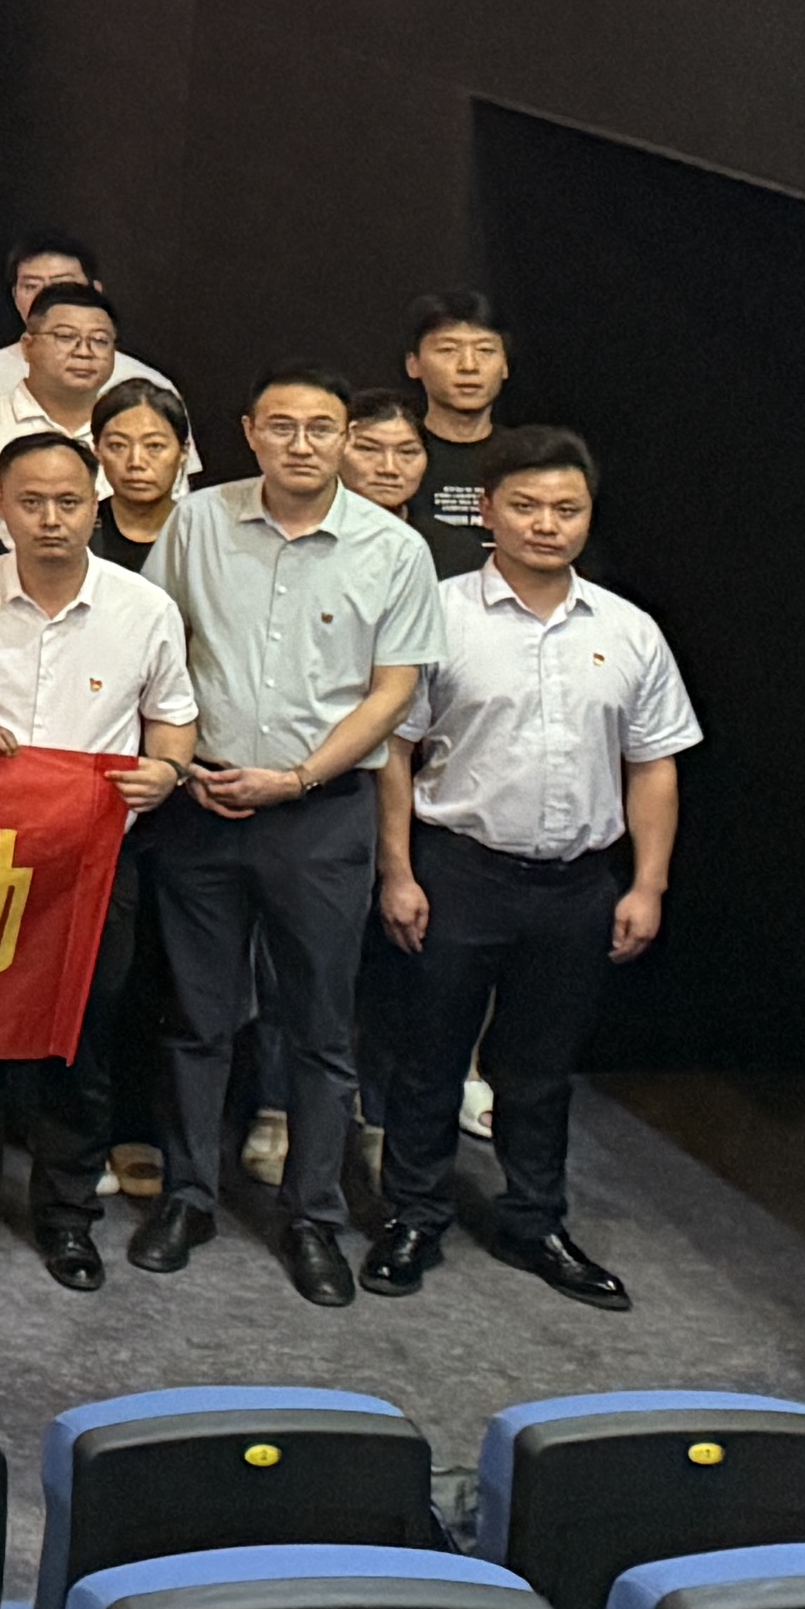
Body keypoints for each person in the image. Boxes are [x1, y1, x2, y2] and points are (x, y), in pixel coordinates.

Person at [137, 369, 436, 1305]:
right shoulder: (197, 523)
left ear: (347, 438)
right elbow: (156, 649)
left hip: (321, 812)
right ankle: (189, 1196)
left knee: (318, 1027)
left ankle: (313, 1217)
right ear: (248, 432)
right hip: (205, 803)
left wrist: (299, 778)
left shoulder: (395, 549)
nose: (301, 444)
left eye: (321, 428)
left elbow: (393, 694)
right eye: (282, 426)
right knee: (197, 1019)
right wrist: (184, 765)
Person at [370, 430, 685, 1312]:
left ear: (587, 516)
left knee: (541, 1068)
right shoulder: (436, 615)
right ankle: (414, 1217)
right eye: (526, 506)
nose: (547, 525)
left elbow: (654, 763)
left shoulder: (628, 630)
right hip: (458, 869)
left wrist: (648, 884)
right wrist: (397, 871)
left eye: (566, 509)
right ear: (488, 511)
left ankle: (534, 1220)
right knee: (429, 1059)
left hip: (579, 883)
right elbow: (393, 751)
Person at [0, 427, 198, 1285]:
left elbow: (174, 718)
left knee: (80, 1043)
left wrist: (167, 770)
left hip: (92, 860)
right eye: (32, 502)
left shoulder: (143, 607)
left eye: (69, 502)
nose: (51, 519)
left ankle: (66, 1216)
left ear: (97, 506)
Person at [0, 267, 165, 450]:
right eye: (66, 337)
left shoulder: (139, 434)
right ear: (27, 346)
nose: (84, 352)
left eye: (99, 340)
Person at [399, 300, 525, 555]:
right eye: (448, 350)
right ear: (414, 364)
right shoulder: (391, 456)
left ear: (505, 366)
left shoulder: (527, 458)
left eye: (485, 350)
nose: (469, 366)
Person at [344, 390, 470, 574]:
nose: (389, 468)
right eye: (368, 449)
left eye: (408, 452)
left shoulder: (456, 549)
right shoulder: (308, 537)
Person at [87, 380, 195, 570]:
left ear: (184, 451)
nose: (136, 462)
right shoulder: (78, 531)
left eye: (154, 446)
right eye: (118, 446)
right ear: (97, 451)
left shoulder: (204, 533)